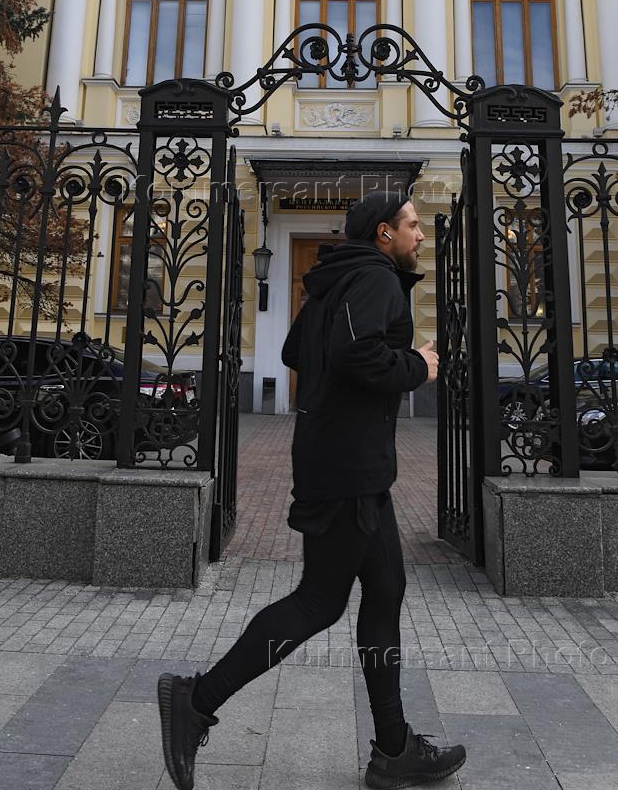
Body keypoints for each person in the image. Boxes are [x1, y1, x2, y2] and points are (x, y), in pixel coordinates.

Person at [158, 191, 467, 789]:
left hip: (348, 461)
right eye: (412, 225)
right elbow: (356, 353)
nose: (420, 235)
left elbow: (295, 350)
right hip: (348, 465)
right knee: (320, 602)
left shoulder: (333, 280)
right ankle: (196, 701)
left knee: (386, 589)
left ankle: (394, 748)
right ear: (384, 233)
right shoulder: (376, 278)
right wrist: (417, 367)